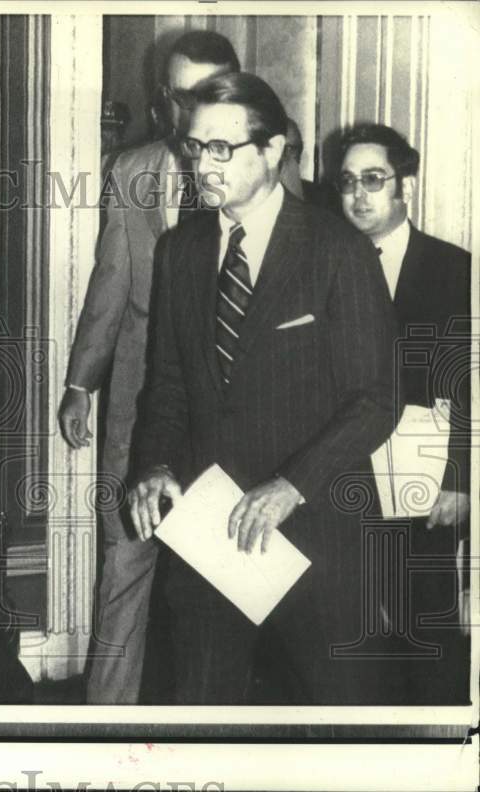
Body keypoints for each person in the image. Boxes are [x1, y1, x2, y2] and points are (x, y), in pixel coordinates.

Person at [128, 72, 399, 704]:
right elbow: (166, 385)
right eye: (196, 147)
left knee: (341, 723)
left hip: (317, 533)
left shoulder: (337, 249)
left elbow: (376, 398)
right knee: (203, 717)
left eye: (223, 148)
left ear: (273, 149)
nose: (203, 165)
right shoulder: (180, 251)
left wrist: (290, 486)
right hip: (210, 531)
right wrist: (154, 464)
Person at [59, 31, 240, 704]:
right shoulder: (132, 171)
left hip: (227, 409)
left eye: (211, 93)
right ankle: (104, 725)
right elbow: (111, 283)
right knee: (125, 562)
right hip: (139, 402)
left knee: (221, 578)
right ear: (164, 99)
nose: (196, 110)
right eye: (183, 94)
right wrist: (80, 383)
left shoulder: (263, 171)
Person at [338, 122, 471, 703]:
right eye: (347, 181)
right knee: (341, 635)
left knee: (428, 628)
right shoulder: (317, 266)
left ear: (404, 186)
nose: (358, 194)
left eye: (373, 179)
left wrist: (461, 479)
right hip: (336, 475)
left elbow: (470, 385)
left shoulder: (453, 269)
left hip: (423, 477)